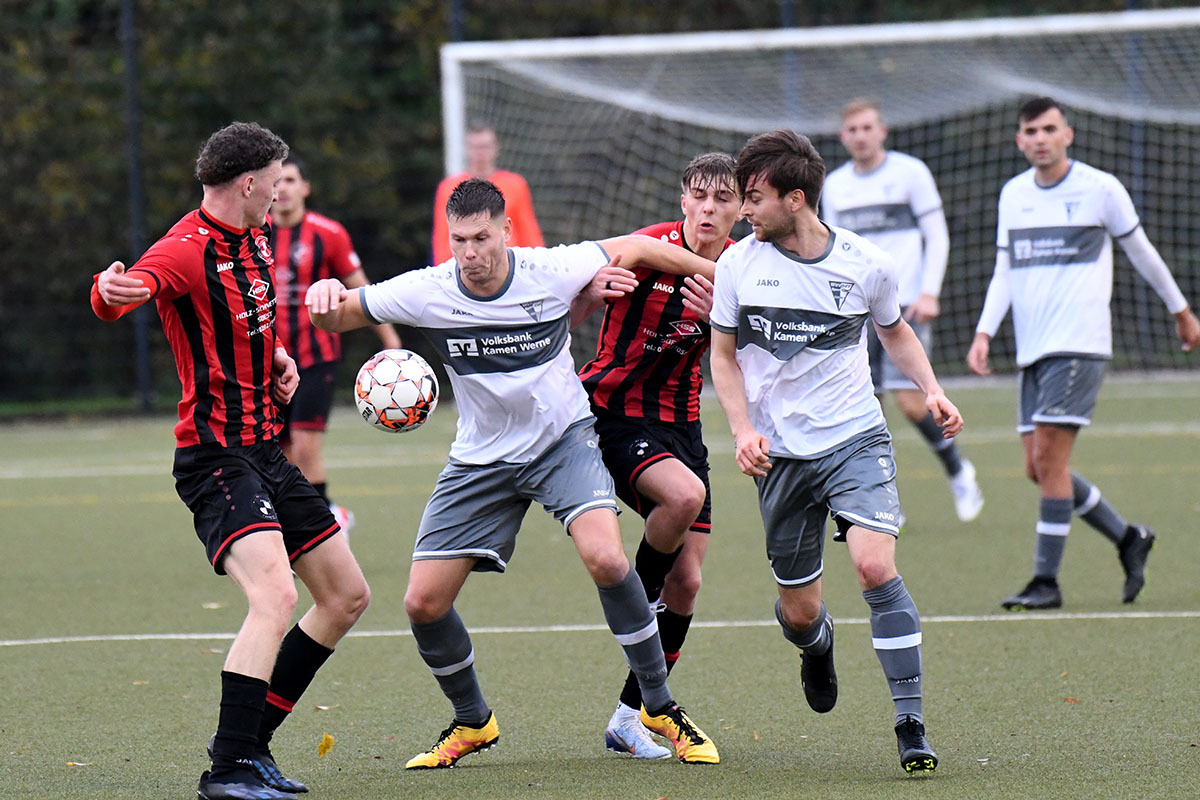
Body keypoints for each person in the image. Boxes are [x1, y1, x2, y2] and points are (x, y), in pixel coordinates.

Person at [306, 177, 720, 767]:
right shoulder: (429, 289)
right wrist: (323, 296)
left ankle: (657, 705)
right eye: (458, 241)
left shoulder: (548, 269)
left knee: (606, 558)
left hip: (563, 443)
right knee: (422, 604)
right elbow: (341, 315)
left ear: (506, 230)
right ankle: (473, 722)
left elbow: (637, 245)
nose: (470, 254)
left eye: (481, 238)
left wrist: (720, 280)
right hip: (481, 458)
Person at [91, 122, 370, 800]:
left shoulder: (256, 235)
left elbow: (252, 317)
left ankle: (250, 749)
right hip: (214, 457)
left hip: (265, 452)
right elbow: (121, 293)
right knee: (274, 597)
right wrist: (109, 289)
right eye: (275, 184)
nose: (281, 195)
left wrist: (275, 358)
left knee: (344, 596)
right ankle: (226, 771)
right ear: (248, 184)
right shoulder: (183, 250)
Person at [710, 129, 965, 774]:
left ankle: (911, 722)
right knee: (798, 612)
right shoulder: (740, 264)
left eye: (755, 197)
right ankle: (816, 642)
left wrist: (931, 389)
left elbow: (896, 329)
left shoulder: (864, 263)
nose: (744, 210)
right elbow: (722, 356)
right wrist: (743, 431)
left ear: (796, 199)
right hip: (781, 458)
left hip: (855, 437)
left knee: (876, 570)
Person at [967, 96, 1200, 610]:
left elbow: (1142, 252)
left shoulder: (1100, 189)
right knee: (1038, 467)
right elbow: (1005, 270)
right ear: (1019, 140)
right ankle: (1127, 538)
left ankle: (1045, 581)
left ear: (1068, 135)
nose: (1041, 138)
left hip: (1079, 344)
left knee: (1050, 460)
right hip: (1033, 350)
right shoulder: (1013, 194)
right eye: (1031, 131)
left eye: (1050, 129)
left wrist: (1181, 310)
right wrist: (984, 332)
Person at [571, 153, 738, 760]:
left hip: (683, 427)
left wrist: (727, 321)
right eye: (699, 196)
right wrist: (592, 290)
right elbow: (583, 295)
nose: (709, 209)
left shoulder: (745, 270)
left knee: (688, 583)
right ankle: (632, 598)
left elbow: (755, 357)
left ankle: (628, 716)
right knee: (683, 496)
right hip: (615, 414)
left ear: (742, 209)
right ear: (684, 200)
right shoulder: (649, 246)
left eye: (723, 200)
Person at [823, 98, 984, 525]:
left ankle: (958, 471)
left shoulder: (910, 173)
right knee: (861, 406)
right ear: (844, 137)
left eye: (867, 127)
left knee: (912, 402)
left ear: (882, 130)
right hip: (854, 312)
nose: (860, 135)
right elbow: (834, 249)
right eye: (852, 129)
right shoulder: (836, 186)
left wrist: (930, 291)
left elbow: (937, 234)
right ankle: (878, 497)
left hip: (904, 305)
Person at [271, 156, 402, 534]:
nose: (282, 189)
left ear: (305, 188)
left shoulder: (327, 234)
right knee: (285, 455)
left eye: (291, 180)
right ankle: (328, 517)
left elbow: (364, 290)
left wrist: (391, 341)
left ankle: (320, 529)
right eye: (277, 181)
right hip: (271, 363)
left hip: (315, 358)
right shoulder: (255, 233)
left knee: (306, 449)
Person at [431, 123, 544, 265]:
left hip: (508, 268)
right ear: (466, 149)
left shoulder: (515, 184)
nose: (480, 153)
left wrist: (537, 265)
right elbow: (443, 236)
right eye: (475, 147)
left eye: (485, 147)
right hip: (467, 267)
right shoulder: (448, 188)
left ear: (496, 148)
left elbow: (528, 231)